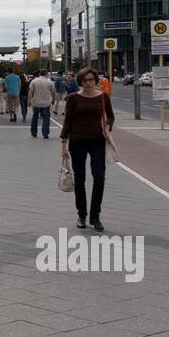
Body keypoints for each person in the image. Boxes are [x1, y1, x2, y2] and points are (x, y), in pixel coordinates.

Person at [60, 68, 116, 231]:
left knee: (99, 177)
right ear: (80, 82)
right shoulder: (73, 98)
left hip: (97, 141)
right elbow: (67, 121)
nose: (89, 83)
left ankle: (95, 216)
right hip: (77, 141)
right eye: (85, 80)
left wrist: (107, 125)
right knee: (80, 179)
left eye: (91, 80)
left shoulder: (103, 97)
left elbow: (111, 116)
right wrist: (63, 144)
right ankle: (82, 215)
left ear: (96, 81)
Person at [28, 69, 58, 139]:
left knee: (35, 118)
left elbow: (30, 92)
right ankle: (45, 134)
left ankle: (34, 133)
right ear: (46, 74)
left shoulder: (34, 81)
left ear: (40, 74)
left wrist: (29, 101)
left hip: (36, 103)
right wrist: (53, 99)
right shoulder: (49, 82)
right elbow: (53, 92)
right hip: (46, 103)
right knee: (46, 118)